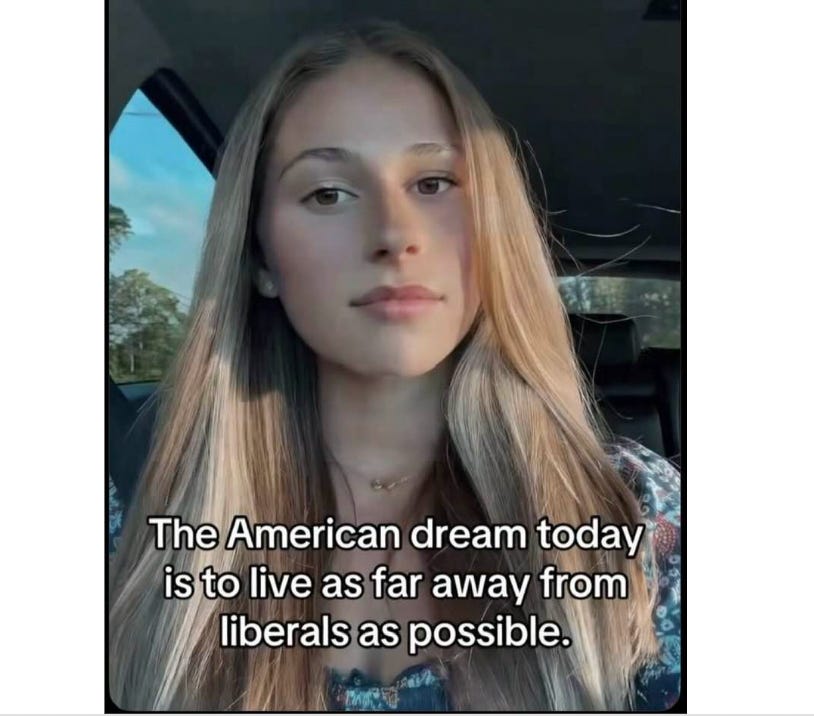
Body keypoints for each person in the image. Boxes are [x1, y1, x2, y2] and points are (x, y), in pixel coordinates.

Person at [108, 19, 681, 712]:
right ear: (259, 259)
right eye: (328, 194)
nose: (394, 234)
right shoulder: (142, 514)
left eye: (434, 182)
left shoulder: (636, 511)